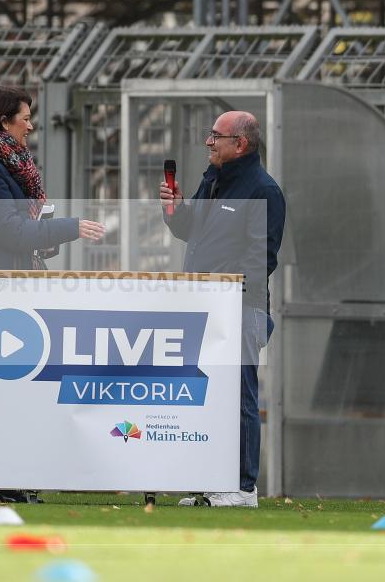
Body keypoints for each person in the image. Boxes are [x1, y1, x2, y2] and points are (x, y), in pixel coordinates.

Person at [0, 86, 105, 503]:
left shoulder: (4, 166)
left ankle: (5, 478)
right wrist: (66, 228)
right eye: (25, 117)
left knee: (12, 386)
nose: (31, 125)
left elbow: (14, 232)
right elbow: (8, 231)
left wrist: (44, 238)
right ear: (4, 121)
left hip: (5, 287)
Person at [160, 110, 285, 508]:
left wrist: (236, 304)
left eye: (215, 136)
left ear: (241, 144)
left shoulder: (264, 190)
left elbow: (260, 257)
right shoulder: (211, 180)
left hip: (238, 308)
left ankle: (242, 487)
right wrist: (176, 210)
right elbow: (188, 232)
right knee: (207, 395)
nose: (208, 142)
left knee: (240, 395)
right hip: (200, 305)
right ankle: (211, 482)